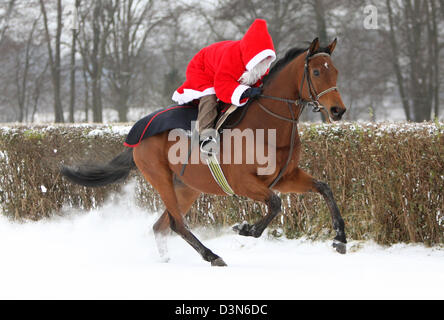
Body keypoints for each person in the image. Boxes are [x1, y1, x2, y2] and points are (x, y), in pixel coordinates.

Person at [172, 19, 276, 150]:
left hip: (219, 65)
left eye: (266, 58)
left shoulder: (260, 65)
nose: (264, 61)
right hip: (203, 68)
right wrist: (245, 92)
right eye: (262, 58)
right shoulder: (232, 60)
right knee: (210, 97)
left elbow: (261, 81)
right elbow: (223, 86)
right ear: (254, 54)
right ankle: (204, 136)